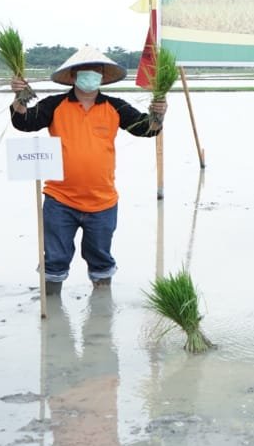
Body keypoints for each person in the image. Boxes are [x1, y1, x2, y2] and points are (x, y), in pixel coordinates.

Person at [9, 46, 165, 293]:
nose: (91, 76)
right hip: (60, 199)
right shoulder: (55, 105)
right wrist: (19, 98)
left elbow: (147, 129)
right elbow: (25, 123)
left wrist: (158, 115)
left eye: (96, 71)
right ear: (73, 76)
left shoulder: (115, 107)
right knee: (55, 260)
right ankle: (51, 312)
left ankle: (101, 314)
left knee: (101, 260)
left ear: (103, 76)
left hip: (102, 201)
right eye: (85, 71)